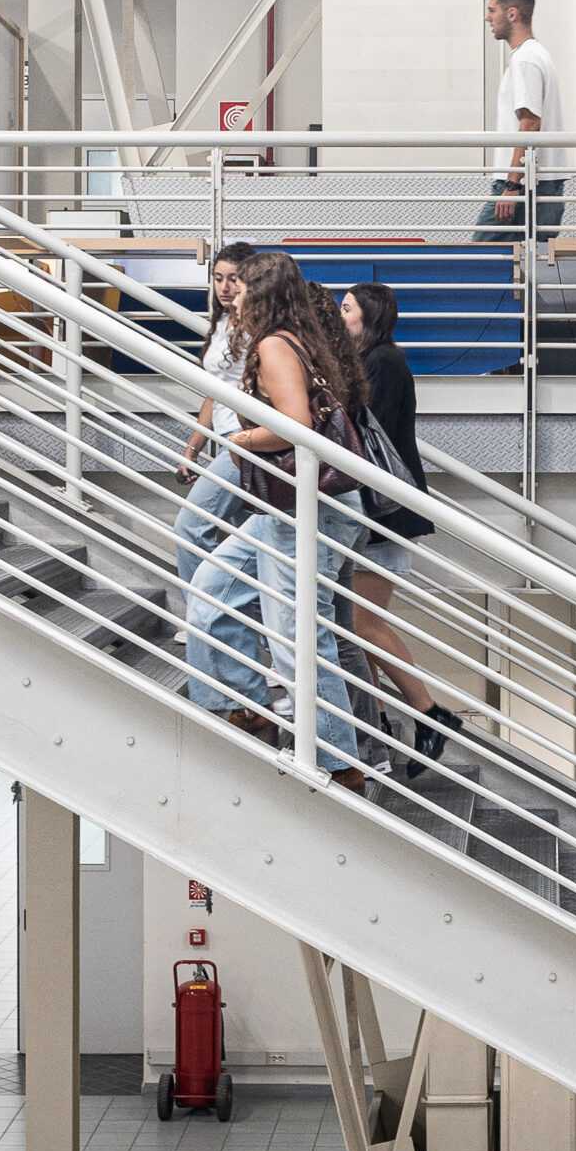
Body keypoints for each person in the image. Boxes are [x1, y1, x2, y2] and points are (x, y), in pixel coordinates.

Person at [181, 250, 370, 790]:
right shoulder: (287, 340)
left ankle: (336, 761)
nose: (231, 296)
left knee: (295, 634)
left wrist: (237, 438)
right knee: (211, 590)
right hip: (287, 505)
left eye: (240, 288)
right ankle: (245, 707)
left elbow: (296, 427)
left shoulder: (273, 345)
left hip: (308, 507)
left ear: (259, 294)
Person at [341, 281, 466, 773]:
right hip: (373, 511)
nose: (339, 317)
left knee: (362, 623)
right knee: (354, 627)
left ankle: (430, 714)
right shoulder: (371, 361)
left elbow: (367, 438)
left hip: (382, 513)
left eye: (347, 309)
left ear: (369, 316)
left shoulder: (384, 363)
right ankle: (379, 722)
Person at [174, 241, 259, 630]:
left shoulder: (257, 326)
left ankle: (204, 621)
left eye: (234, 279)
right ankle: (242, 629)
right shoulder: (223, 322)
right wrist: (192, 447)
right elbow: (214, 391)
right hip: (225, 443)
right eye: (218, 278)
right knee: (248, 547)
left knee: (191, 527)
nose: (225, 287)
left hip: (245, 444)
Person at [475, 0, 568, 241]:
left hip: (527, 185)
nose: (487, 17)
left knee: (480, 255)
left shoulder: (526, 59)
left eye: (492, 10)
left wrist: (511, 184)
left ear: (512, 14)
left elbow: (530, 124)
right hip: (536, 183)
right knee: (526, 261)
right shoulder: (533, 55)